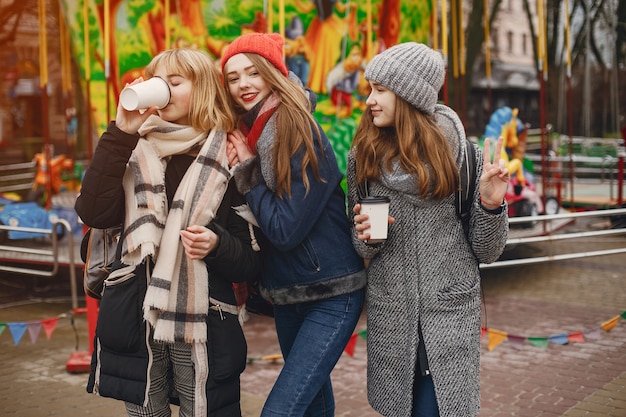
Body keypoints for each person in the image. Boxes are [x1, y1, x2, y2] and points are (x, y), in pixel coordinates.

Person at [75, 48, 262, 417]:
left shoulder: (226, 157)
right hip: (136, 312)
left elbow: (252, 262)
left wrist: (216, 244)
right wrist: (121, 132)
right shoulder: (130, 148)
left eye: (173, 83)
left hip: (204, 319)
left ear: (203, 90)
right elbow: (93, 211)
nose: (162, 89)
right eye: (157, 81)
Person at [347, 42, 510, 417]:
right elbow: (361, 245)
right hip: (392, 314)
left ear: (409, 95)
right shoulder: (363, 156)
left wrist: (489, 203)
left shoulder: (467, 159)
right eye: (370, 89)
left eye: (381, 90)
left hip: (451, 312)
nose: (370, 100)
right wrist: (366, 237)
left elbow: (487, 251)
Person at [220, 32, 366, 417]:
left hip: (331, 291)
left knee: (280, 411)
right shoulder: (249, 133)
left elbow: (284, 229)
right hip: (287, 294)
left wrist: (246, 170)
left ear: (273, 73)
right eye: (233, 78)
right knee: (314, 407)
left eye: (253, 72)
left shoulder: (299, 131)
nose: (243, 85)